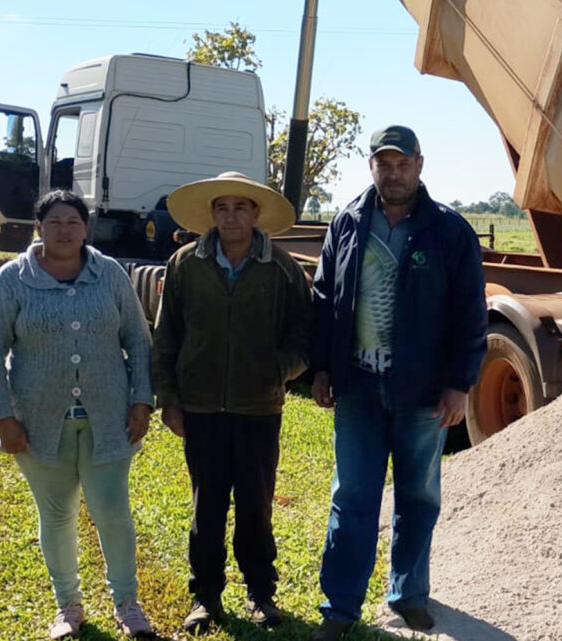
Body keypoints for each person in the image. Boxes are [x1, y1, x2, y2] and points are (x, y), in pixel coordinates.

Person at [309, 125, 487, 640]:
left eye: (402, 163)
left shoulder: (449, 230)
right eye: (383, 164)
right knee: (354, 496)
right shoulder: (346, 222)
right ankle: (339, 608)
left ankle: (408, 595)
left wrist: (460, 383)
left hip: (423, 391)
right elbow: (324, 299)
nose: (393, 173)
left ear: (420, 165)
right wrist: (322, 367)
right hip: (359, 387)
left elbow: (469, 313)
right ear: (371, 167)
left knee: (418, 495)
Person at [0, 190, 155, 640]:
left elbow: (138, 339)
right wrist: (3, 417)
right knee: (56, 515)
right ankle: (68, 607)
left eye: (73, 221)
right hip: (36, 423)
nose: (64, 230)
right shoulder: (12, 279)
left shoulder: (109, 274)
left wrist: (142, 401)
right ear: (38, 228)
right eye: (53, 222)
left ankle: (127, 604)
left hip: (108, 418)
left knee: (112, 511)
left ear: (86, 227)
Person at [151, 171, 311, 634]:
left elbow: (305, 336)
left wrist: (277, 370)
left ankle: (262, 595)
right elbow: (166, 338)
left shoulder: (281, 268)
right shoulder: (184, 264)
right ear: (211, 214)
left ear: (256, 214)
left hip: (259, 409)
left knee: (256, 506)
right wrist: (169, 399)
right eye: (222, 208)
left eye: (241, 207)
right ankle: (205, 598)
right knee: (207, 506)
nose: (231, 216)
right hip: (200, 408)